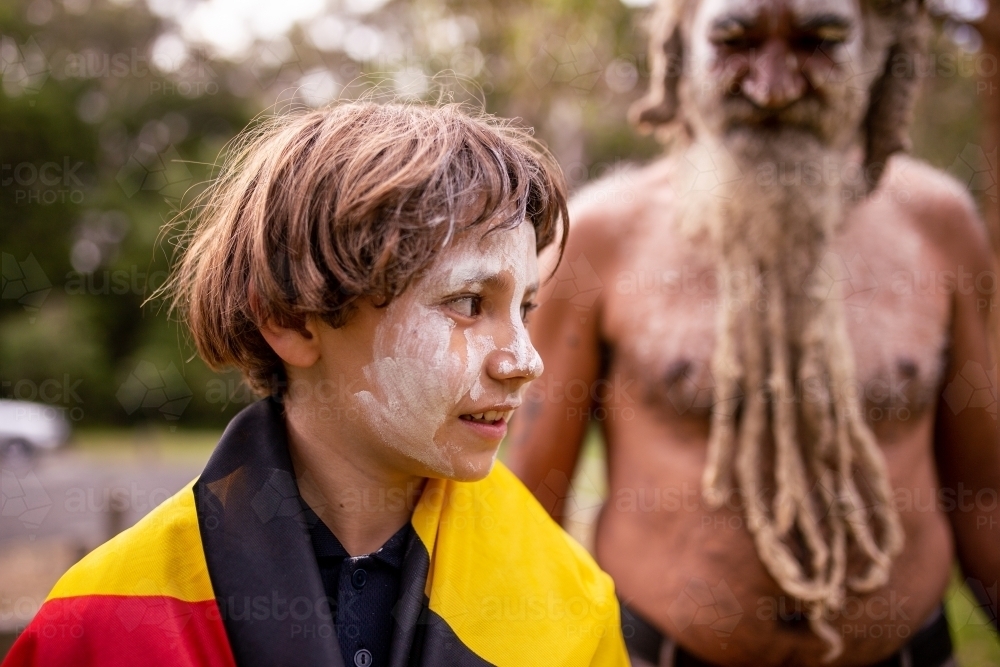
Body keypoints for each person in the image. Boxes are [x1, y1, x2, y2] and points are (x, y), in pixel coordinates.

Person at [3, 103, 630, 667]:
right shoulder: (102, 623)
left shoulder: (571, 601)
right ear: (291, 321)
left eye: (525, 308)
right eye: (468, 302)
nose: (526, 360)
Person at [507, 0, 1000, 665]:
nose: (773, 88)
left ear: (876, 47)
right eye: (735, 43)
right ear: (683, 50)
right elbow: (531, 511)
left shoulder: (939, 225)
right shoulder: (601, 236)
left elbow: (983, 494)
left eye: (818, 43)